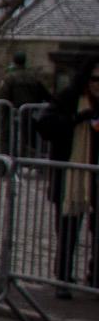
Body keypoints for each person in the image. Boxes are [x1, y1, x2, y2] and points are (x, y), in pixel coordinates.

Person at [39, 59, 99, 292]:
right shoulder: (70, 98)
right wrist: (76, 119)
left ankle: (94, 277)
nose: (98, 85)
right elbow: (45, 125)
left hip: (95, 175)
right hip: (71, 174)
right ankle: (63, 278)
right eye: (95, 79)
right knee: (68, 230)